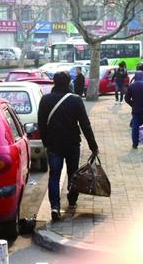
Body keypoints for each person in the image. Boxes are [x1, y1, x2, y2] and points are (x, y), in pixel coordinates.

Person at [38, 72, 99, 221]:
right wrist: (93, 145)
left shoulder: (45, 100)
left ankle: (54, 207)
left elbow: (41, 124)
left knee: (54, 175)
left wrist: (47, 142)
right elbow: (85, 125)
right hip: (72, 144)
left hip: (54, 145)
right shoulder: (76, 100)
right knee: (73, 174)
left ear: (54, 82)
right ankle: (72, 200)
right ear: (68, 83)